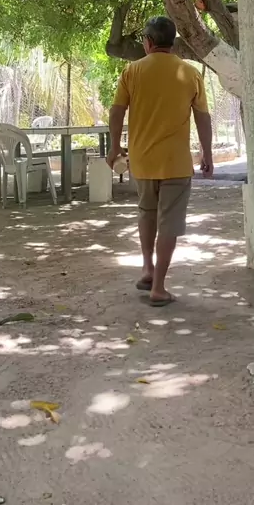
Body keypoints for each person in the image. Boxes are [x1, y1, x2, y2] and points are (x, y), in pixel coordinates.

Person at [107, 16, 213, 306]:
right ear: (172, 42)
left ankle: (147, 269)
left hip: (142, 161)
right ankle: (159, 288)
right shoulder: (190, 72)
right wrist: (207, 154)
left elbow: (117, 111)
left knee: (146, 212)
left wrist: (114, 148)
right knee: (169, 223)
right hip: (176, 163)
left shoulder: (132, 71)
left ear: (148, 42)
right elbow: (203, 118)